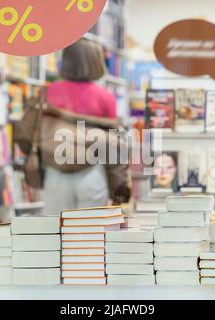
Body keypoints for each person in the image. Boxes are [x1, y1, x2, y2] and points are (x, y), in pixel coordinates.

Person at [42, 39, 129, 214]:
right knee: (90, 235)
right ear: (95, 61)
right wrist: (118, 187)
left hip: (55, 172)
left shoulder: (49, 92)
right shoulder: (105, 97)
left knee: (55, 234)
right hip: (92, 172)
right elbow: (112, 145)